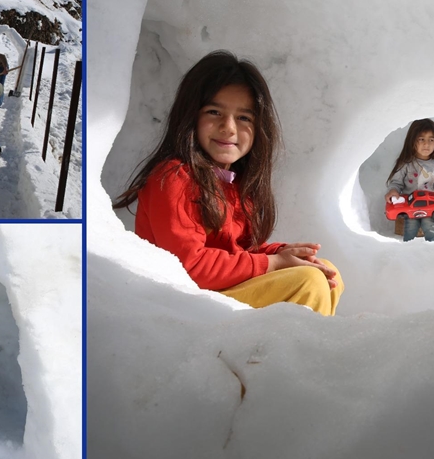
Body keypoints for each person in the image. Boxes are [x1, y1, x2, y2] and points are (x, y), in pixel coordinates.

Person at [112, 50, 343, 316]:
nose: (229, 127)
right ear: (191, 116)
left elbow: (238, 253)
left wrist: (283, 254)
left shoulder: (233, 183)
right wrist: (274, 263)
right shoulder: (174, 177)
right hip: (181, 306)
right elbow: (190, 266)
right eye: (214, 112)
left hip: (216, 296)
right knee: (308, 282)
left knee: (325, 272)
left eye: (244, 118)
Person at [384, 118, 434, 241]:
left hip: (431, 204)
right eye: (421, 139)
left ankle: (433, 249)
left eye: (431, 139)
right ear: (413, 141)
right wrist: (393, 191)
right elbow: (396, 183)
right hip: (411, 205)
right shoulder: (406, 163)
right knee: (411, 227)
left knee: (429, 225)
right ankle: (409, 250)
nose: (426, 144)